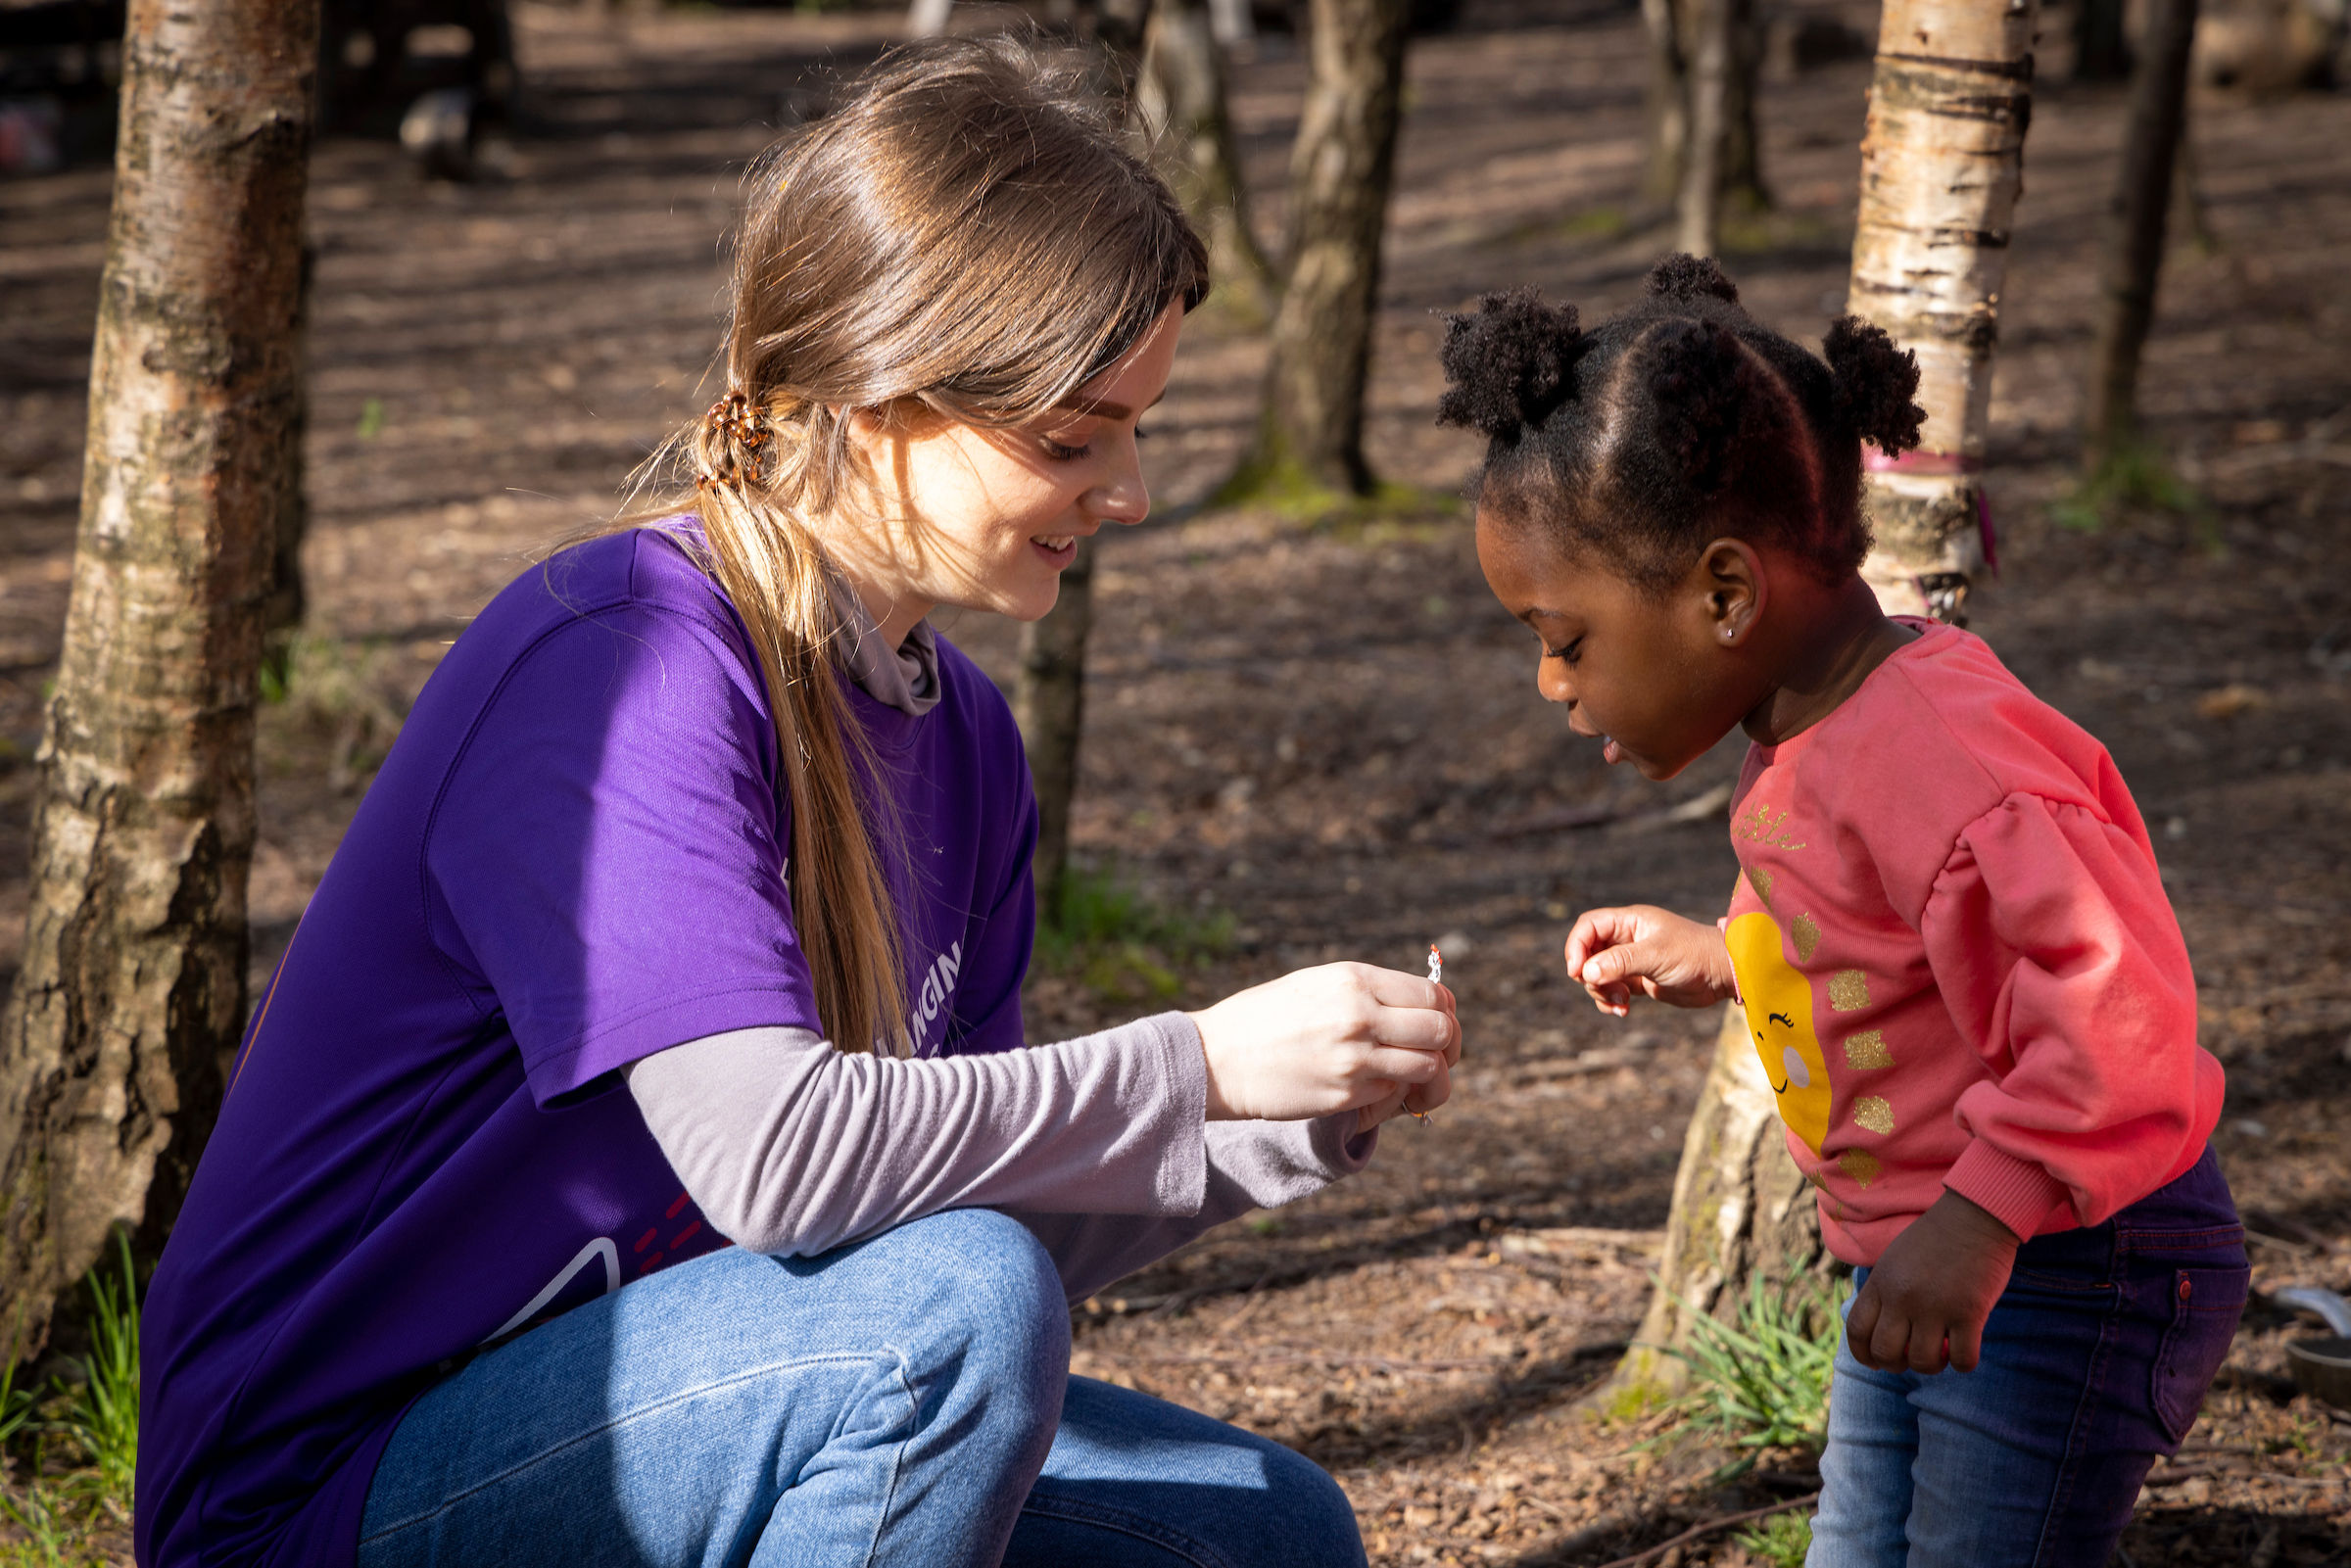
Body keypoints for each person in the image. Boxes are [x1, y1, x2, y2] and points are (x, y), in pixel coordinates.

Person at [136, 39, 1461, 1568]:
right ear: (886, 394)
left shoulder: (963, 742)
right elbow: (791, 1168)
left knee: (1268, 1536)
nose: (1132, 491)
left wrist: (1275, 1118)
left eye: (1140, 429)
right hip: (321, 1499)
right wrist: (1197, 1057)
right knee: (948, 1318)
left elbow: (966, 1208)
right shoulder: (622, 666)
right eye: (1074, 436)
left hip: (655, 1415)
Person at [1438, 257, 2246, 1568]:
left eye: (1565, 636)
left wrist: (1979, 1220)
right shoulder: (1811, 723)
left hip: (2068, 1258)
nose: (1549, 681)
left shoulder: (1949, 763)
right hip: (1939, 1255)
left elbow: (2117, 1024)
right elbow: (1897, 944)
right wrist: (1725, 952)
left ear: (1724, 594)